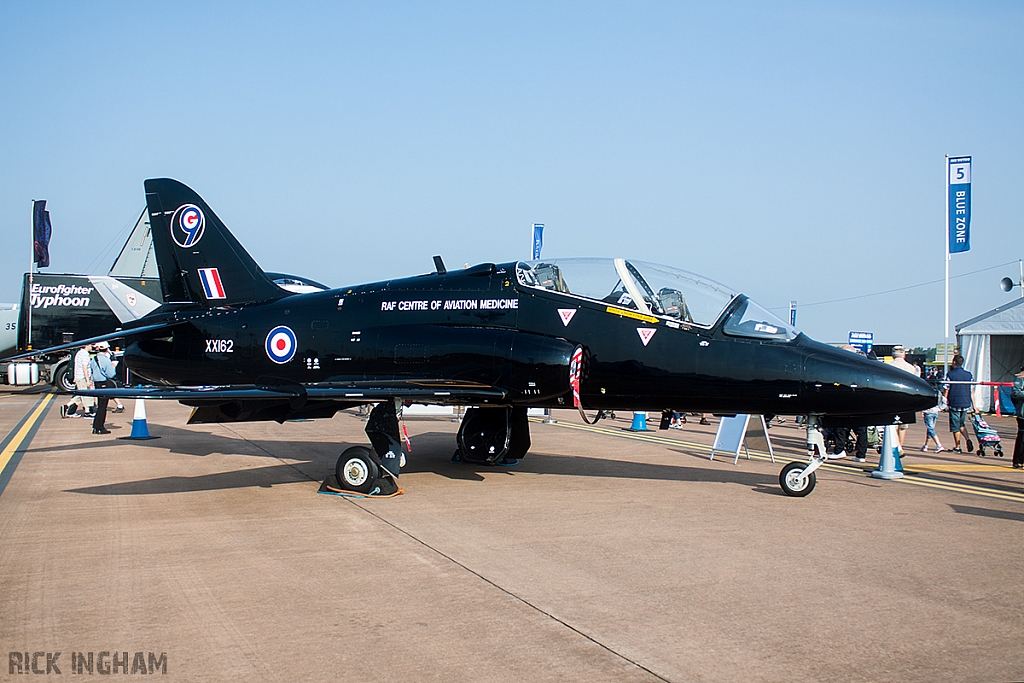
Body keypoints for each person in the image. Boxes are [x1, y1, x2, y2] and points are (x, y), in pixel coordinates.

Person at [888, 346, 920, 450]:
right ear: (904, 354)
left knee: (892, 424)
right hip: (907, 399)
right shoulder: (911, 368)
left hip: (892, 398)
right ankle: (900, 446)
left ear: (893, 355)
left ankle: (896, 446)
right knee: (903, 426)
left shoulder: (888, 366)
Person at [942, 354, 975, 454]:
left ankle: (958, 446)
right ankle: (967, 438)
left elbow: (946, 389)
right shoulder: (969, 375)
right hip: (965, 402)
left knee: (955, 426)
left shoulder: (950, 375)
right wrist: (974, 405)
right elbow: (972, 390)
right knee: (961, 423)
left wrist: (944, 402)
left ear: (954, 362)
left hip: (954, 402)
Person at [88, 341, 118, 434]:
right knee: (103, 407)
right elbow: (111, 374)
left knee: (100, 405)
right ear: (106, 349)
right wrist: (113, 366)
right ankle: (99, 427)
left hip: (97, 384)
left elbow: (92, 370)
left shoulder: (94, 359)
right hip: (104, 383)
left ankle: (96, 425)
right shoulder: (106, 360)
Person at [60, 344, 95, 418]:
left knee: (81, 395)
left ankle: (66, 406)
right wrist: (88, 380)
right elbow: (84, 367)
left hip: (79, 377)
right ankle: (87, 412)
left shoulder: (79, 353)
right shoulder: (85, 354)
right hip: (83, 377)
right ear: (86, 346)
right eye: (91, 345)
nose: (92, 346)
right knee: (86, 394)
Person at [1011, 368, 1024, 469]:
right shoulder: (1020, 379)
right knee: (1022, 438)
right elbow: (1015, 393)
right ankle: (1018, 460)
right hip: (1022, 414)